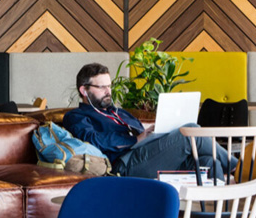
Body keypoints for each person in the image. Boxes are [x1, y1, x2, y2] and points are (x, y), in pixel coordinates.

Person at [62, 63, 237, 179]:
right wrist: (135, 140)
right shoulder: (76, 116)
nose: (108, 91)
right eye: (102, 87)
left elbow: (141, 134)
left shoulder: (119, 112)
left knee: (209, 162)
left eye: (109, 86)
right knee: (191, 131)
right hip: (124, 165)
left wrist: (157, 133)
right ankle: (240, 168)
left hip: (148, 157)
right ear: (84, 91)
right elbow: (93, 140)